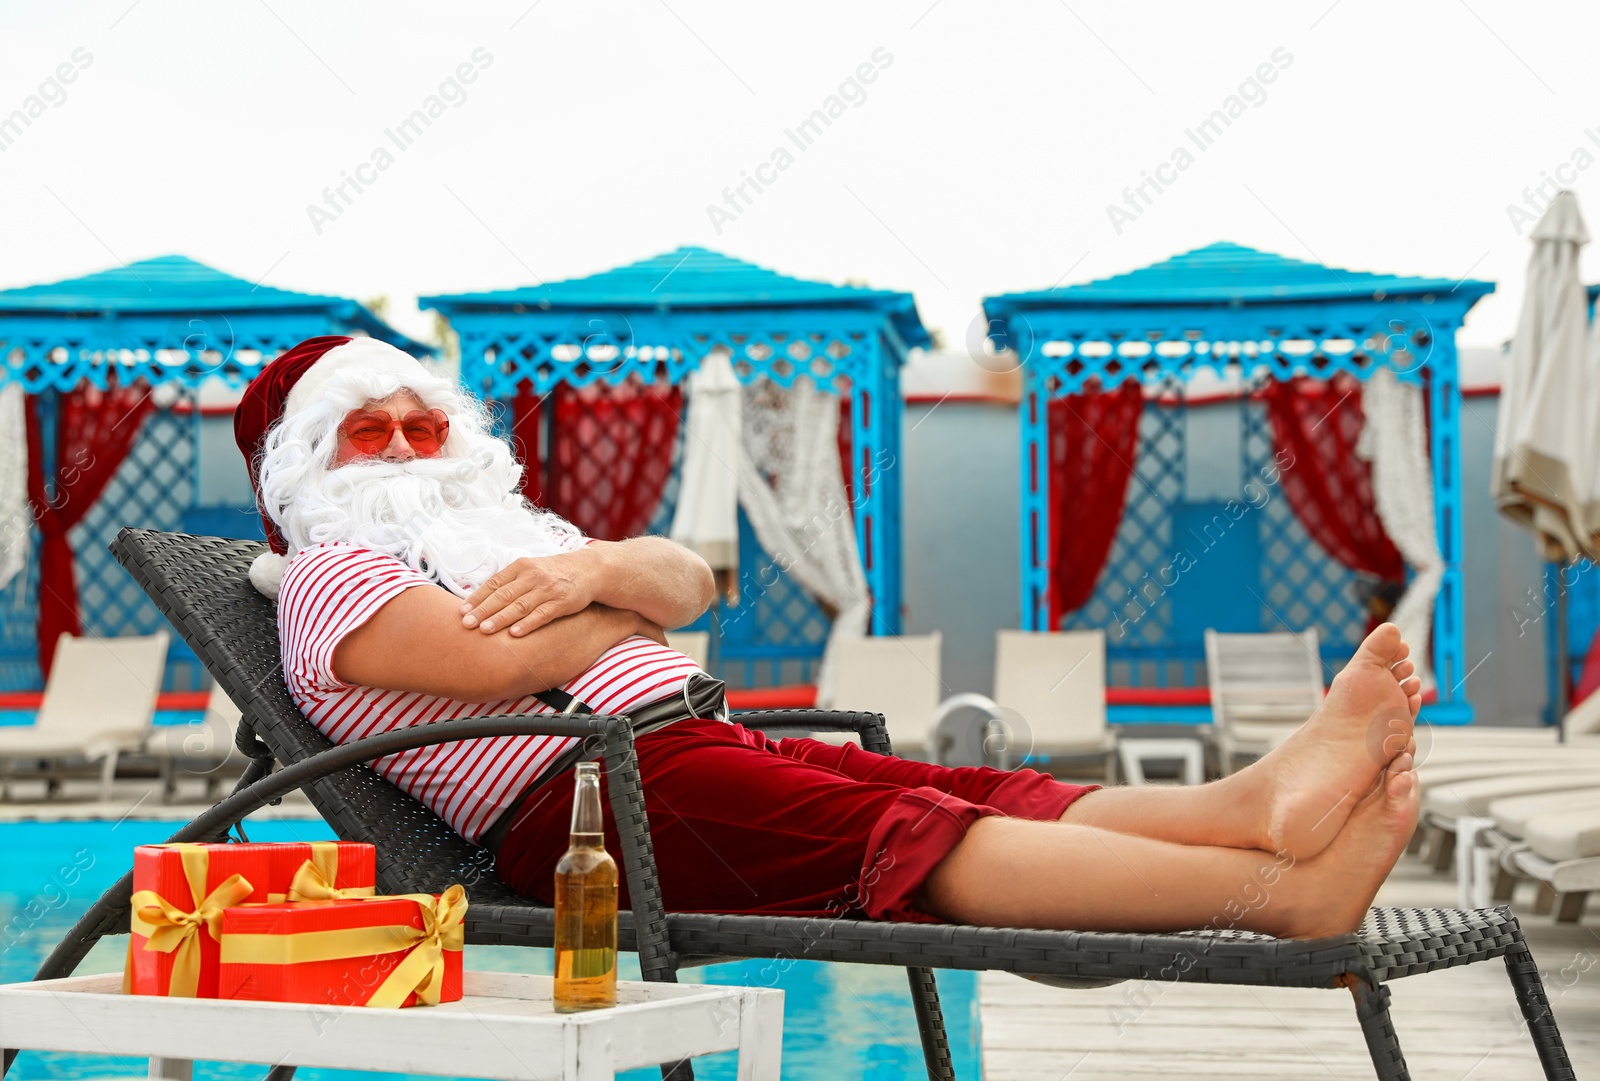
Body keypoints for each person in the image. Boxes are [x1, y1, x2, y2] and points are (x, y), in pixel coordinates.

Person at [235, 335, 1423, 940]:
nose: (406, 448)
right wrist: (616, 605)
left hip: (684, 752)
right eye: (367, 435)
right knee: (917, 833)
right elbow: (508, 664)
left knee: (978, 788)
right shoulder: (334, 575)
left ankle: (1258, 805)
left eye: (421, 422)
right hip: (594, 805)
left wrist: (602, 570)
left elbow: (688, 578)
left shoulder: (506, 542)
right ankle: (1273, 899)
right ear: (304, 471)